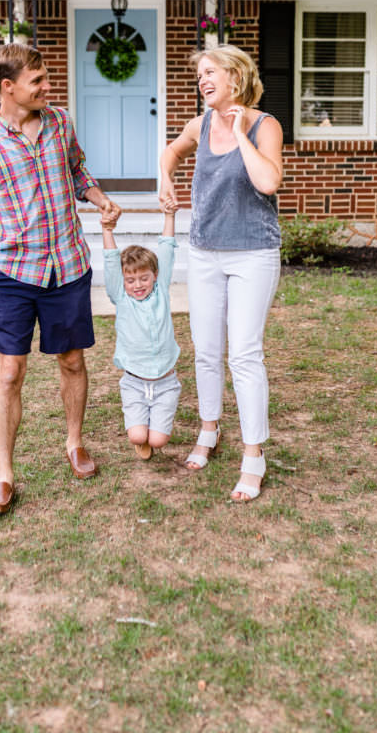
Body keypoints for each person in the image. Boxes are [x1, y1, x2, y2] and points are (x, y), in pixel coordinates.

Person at [0, 43, 121, 515]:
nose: (48, 87)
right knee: (10, 370)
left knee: (72, 360)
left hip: (66, 263)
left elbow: (76, 170)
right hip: (8, 271)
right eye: (38, 81)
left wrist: (98, 197)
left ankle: (74, 444)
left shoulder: (60, 122)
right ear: (7, 87)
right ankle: (4, 475)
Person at [159, 45, 283, 502]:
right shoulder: (199, 124)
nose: (203, 81)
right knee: (207, 351)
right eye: (200, 75)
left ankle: (254, 455)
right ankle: (208, 432)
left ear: (235, 76)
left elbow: (268, 182)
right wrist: (166, 177)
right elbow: (170, 152)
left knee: (244, 355)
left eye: (211, 72)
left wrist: (240, 131)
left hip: (253, 253)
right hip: (205, 253)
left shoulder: (266, 125)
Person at [101, 200, 181, 461]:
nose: (138, 284)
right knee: (137, 436)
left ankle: (154, 426)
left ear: (155, 276)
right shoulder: (121, 298)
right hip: (134, 383)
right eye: (131, 279)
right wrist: (107, 230)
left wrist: (169, 215)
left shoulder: (161, 292)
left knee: (158, 440)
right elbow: (112, 262)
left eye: (144, 278)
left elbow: (167, 249)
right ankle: (141, 427)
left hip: (165, 383)